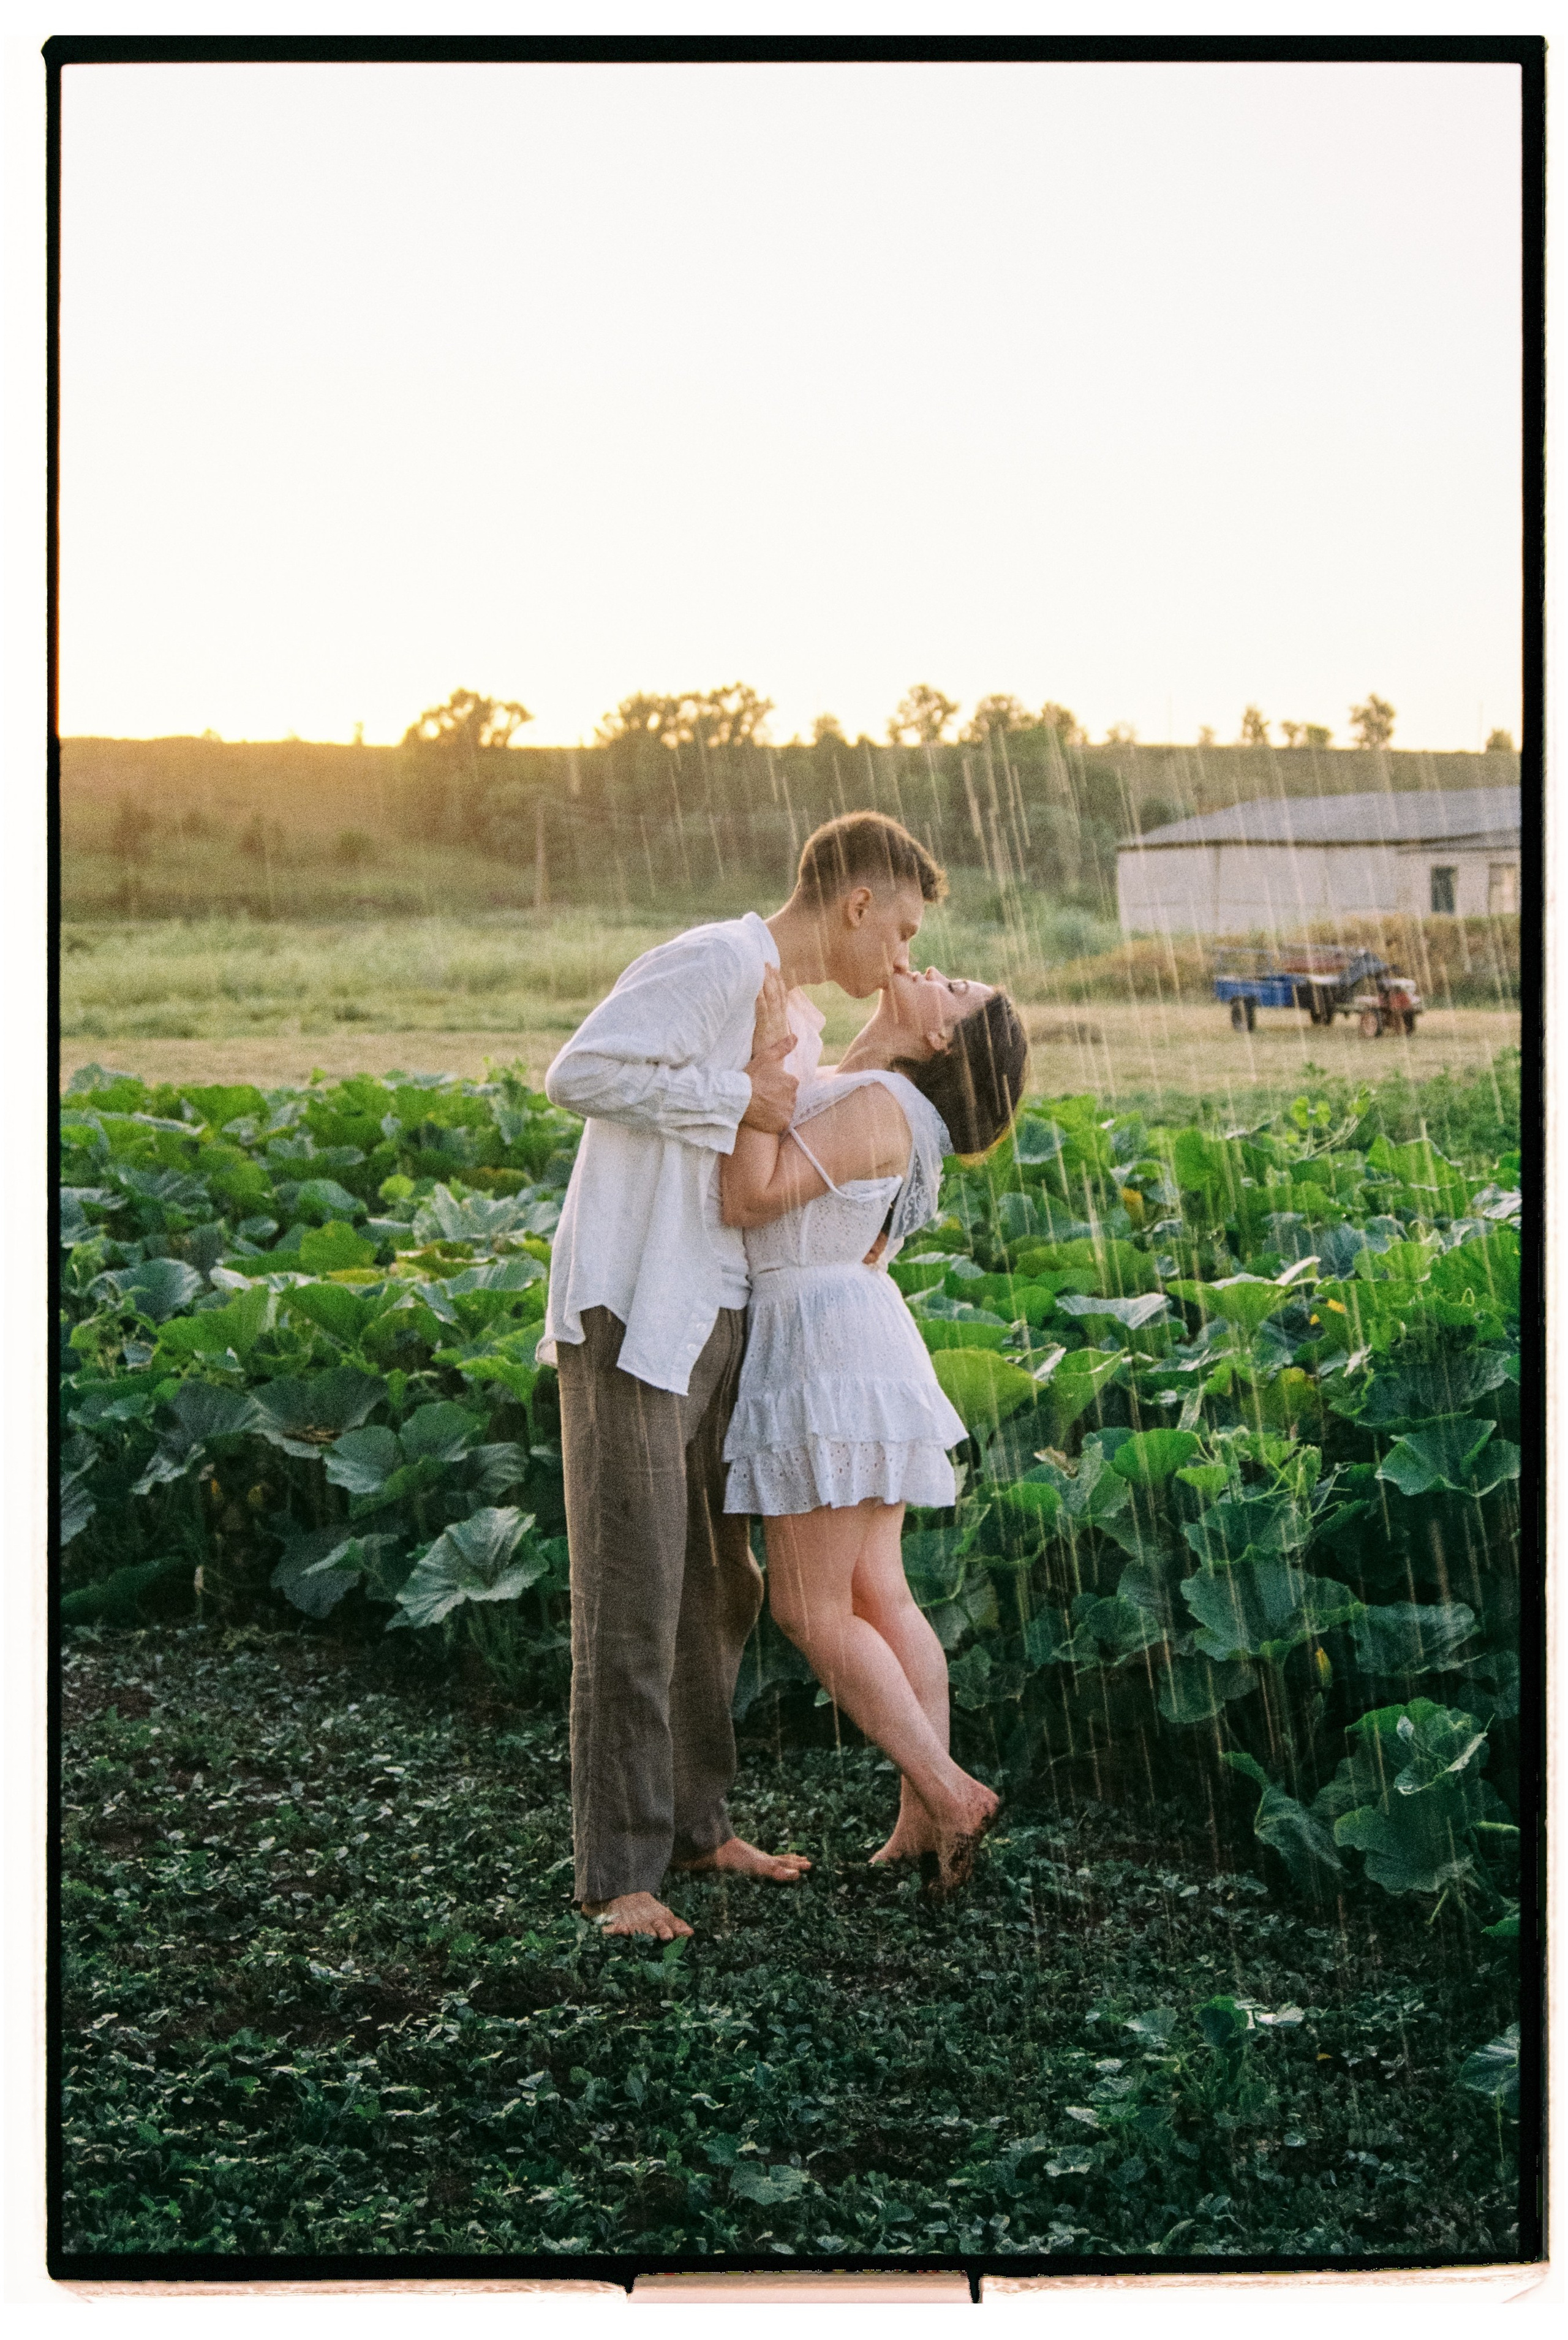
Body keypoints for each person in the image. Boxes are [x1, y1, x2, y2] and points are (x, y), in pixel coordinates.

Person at [538, 812, 948, 1941]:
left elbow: (801, 1156)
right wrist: (741, 1100)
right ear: (857, 902)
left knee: (719, 1588)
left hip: (717, 1313)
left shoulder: (800, 1015)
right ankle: (617, 1876)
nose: (904, 960)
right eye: (903, 930)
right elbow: (579, 1072)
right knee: (633, 1586)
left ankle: (697, 1828)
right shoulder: (720, 960)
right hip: (634, 1299)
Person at [718, 963, 1030, 1893]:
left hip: (822, 1345)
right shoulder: (888, 1093)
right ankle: (921, 1815)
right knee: (877, 1593)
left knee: (807, 1608)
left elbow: (748, 1198)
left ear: (942, 1040)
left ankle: (950, 1791)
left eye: (957, 987)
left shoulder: (883, 1103)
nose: (936, 968)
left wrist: (753, 1078)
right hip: (857, 1339)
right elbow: (818, 1111)